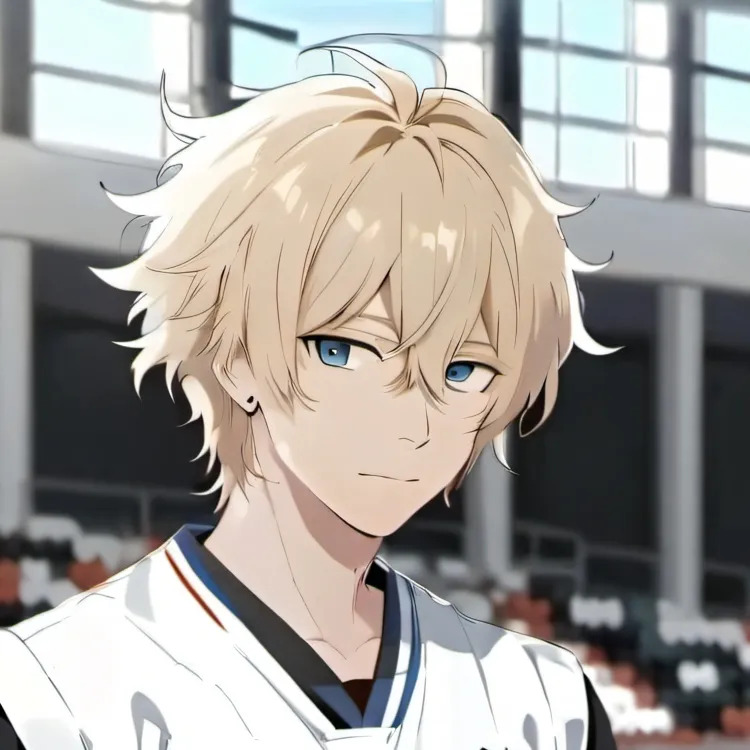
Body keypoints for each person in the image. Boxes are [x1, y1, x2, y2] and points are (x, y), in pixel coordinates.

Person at [0, 43, 618, 749]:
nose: (411, 420)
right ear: (236, 357)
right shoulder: (55, 695)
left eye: (461, 369)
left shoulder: (544, 703)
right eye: (343, 349)